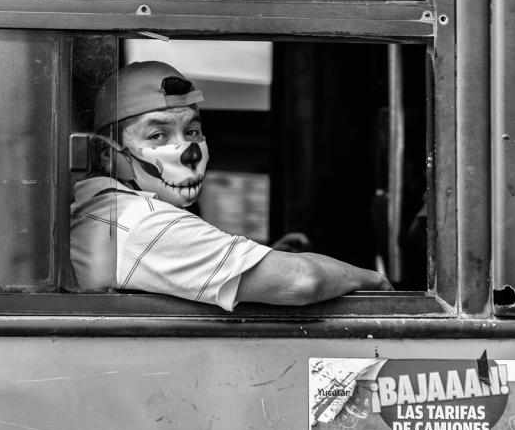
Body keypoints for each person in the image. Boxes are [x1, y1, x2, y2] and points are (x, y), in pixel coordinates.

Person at [70, 61, 392, 310]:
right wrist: (373, 281)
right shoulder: (143, 223)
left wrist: (257, 260)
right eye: (158, 135)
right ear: (106, 154)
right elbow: (302, 280)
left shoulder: (98, 204)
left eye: (192, 131)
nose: (188, 151)